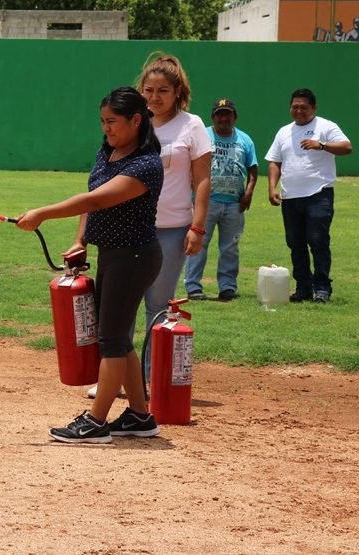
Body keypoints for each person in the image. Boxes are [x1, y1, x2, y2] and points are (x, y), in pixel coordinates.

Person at [14, 87, 163, 443]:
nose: (106, 128)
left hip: (135, 257)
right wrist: (81, 240)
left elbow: (97, 199)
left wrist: (43, 214)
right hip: (113, 254)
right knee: (118, 337)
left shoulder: (146, 164)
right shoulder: (108, 151)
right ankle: (141, 417)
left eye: (112, 121)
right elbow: (93, 198)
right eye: (102, 121)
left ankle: (96, 423)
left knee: (110, 338)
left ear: (136, 120)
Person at [88, 53, 211, 399]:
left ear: (178, 92)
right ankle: (115, 377)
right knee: (117, 308)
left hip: (171, 227)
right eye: (149, 89)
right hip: (125, 229)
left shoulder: (191, 126)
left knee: (157, 305)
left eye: (163, 90)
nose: (155, 96)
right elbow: (100, 184)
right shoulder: (133, 124)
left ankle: (151, 379)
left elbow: (202, 179)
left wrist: (197, 226)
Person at [265, 88, 352, 303]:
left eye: (304, 107)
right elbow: (275, 161)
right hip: (291, 197)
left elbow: (346, 147)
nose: (299, 111)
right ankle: (303, 288)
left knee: (317, 240)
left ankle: (322, 288)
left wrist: (321, 145)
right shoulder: (284, 131)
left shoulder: (325, 126)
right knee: (295, 243)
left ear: (313, 108)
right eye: (295, 107)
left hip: (318, 195)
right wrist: (272, 188)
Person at [183, 98, 258, 302]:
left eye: (228, 114)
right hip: (205, 203)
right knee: (198, 243)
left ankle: (227, 287)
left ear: (235, 117)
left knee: (230, 247)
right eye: (219, 114)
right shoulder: (203, 136)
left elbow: (253, 169)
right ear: (213, 117)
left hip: (234, 203)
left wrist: (248, 193)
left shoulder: (245, 140)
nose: (223, 118)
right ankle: (193, 286)